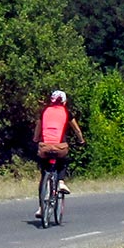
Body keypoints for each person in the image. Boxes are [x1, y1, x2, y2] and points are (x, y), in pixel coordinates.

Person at [34, 90, 84, 219]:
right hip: (60, 148)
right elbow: (76, 130)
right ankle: (61, 181)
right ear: (64, 101)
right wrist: (81, 140)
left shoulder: (44, 111)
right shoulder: (66, 112)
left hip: (44, 147)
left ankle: (41, 207)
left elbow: (38, 128)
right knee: (63, 161)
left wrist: (35, 139)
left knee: (44, 173)